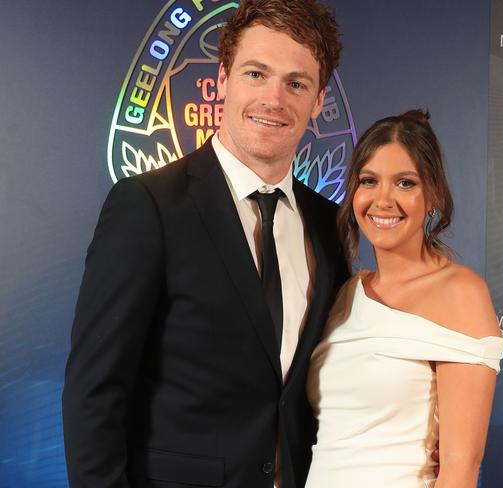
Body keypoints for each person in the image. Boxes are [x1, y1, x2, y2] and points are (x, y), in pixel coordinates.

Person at [61, 1, 348, 487]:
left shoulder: (329, 224)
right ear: (223, 80)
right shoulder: (148, 206)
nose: (274, 99)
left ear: (318, 100)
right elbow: (95, 393)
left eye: (296, 83)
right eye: (256, 74)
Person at [305, 110, 503, 488]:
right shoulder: (347, 294)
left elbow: (461, 467)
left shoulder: (461, 293)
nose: (383, 200)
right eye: (369, 181)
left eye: (405, 183)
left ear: (434, 195)